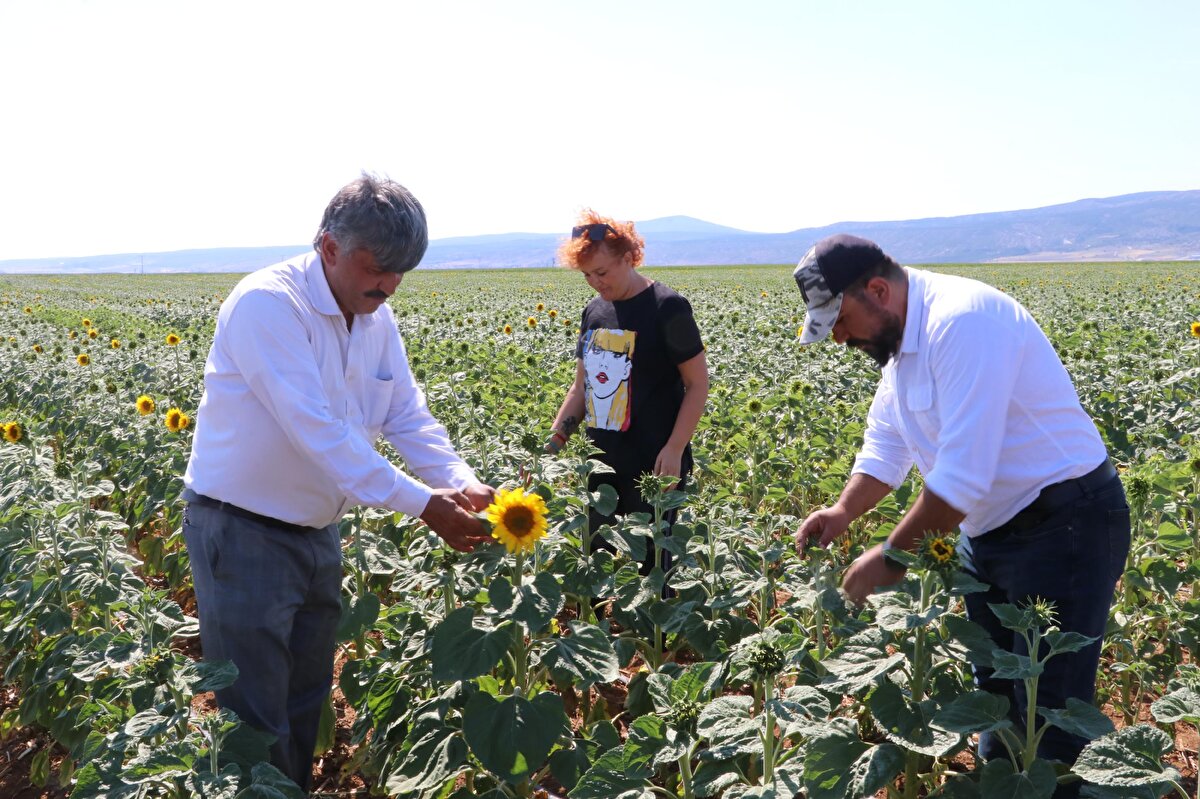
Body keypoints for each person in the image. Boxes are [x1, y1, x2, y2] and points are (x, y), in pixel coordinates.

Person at [181, 174, 494, 791]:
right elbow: (317, 432)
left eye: (400, 273)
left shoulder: (376, 319)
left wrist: (460, 479)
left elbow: (404, 412)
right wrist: (425, 505)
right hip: (241, 532)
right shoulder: (268, 306)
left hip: (317, 532)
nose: (387, 285)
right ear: (328, 247)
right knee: (251, 717)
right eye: (376, 267)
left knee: (304, 701)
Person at [791, 234, 1129, 795]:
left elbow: (963, 475)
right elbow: (887, 445)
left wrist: (893, 557)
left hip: (1065, 523)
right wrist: (844, 509)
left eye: (842, 319)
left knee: (1051, 717)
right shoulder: (903, 347)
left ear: (878, 290)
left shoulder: (964, 322)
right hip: (988, 532)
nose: (841, 337)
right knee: (994, 699)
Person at [545, 211, 709, 575]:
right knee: (596, 558)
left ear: (629, 257)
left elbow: (698, 384)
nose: (594, 283)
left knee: (653, 565)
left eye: (601, 273)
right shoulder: (595, 312)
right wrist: (554, 440)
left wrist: (675, 448)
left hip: (654, 460)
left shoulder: (668, 308)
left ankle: (655, 634)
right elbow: (580, 388)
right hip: (602, 458)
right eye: (587, 275)